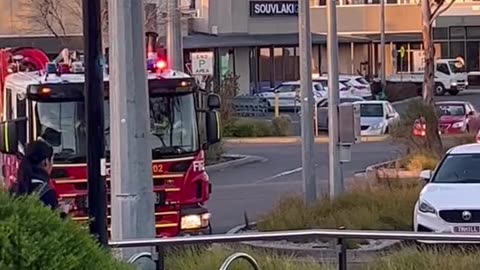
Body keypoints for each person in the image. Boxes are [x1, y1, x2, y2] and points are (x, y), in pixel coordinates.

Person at [9, 140, 70, 215]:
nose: (52, 165)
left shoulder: (15, 188)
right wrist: (63, 213)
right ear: (45, 162)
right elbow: (53, 224)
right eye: (52, 160)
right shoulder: (46, 193)